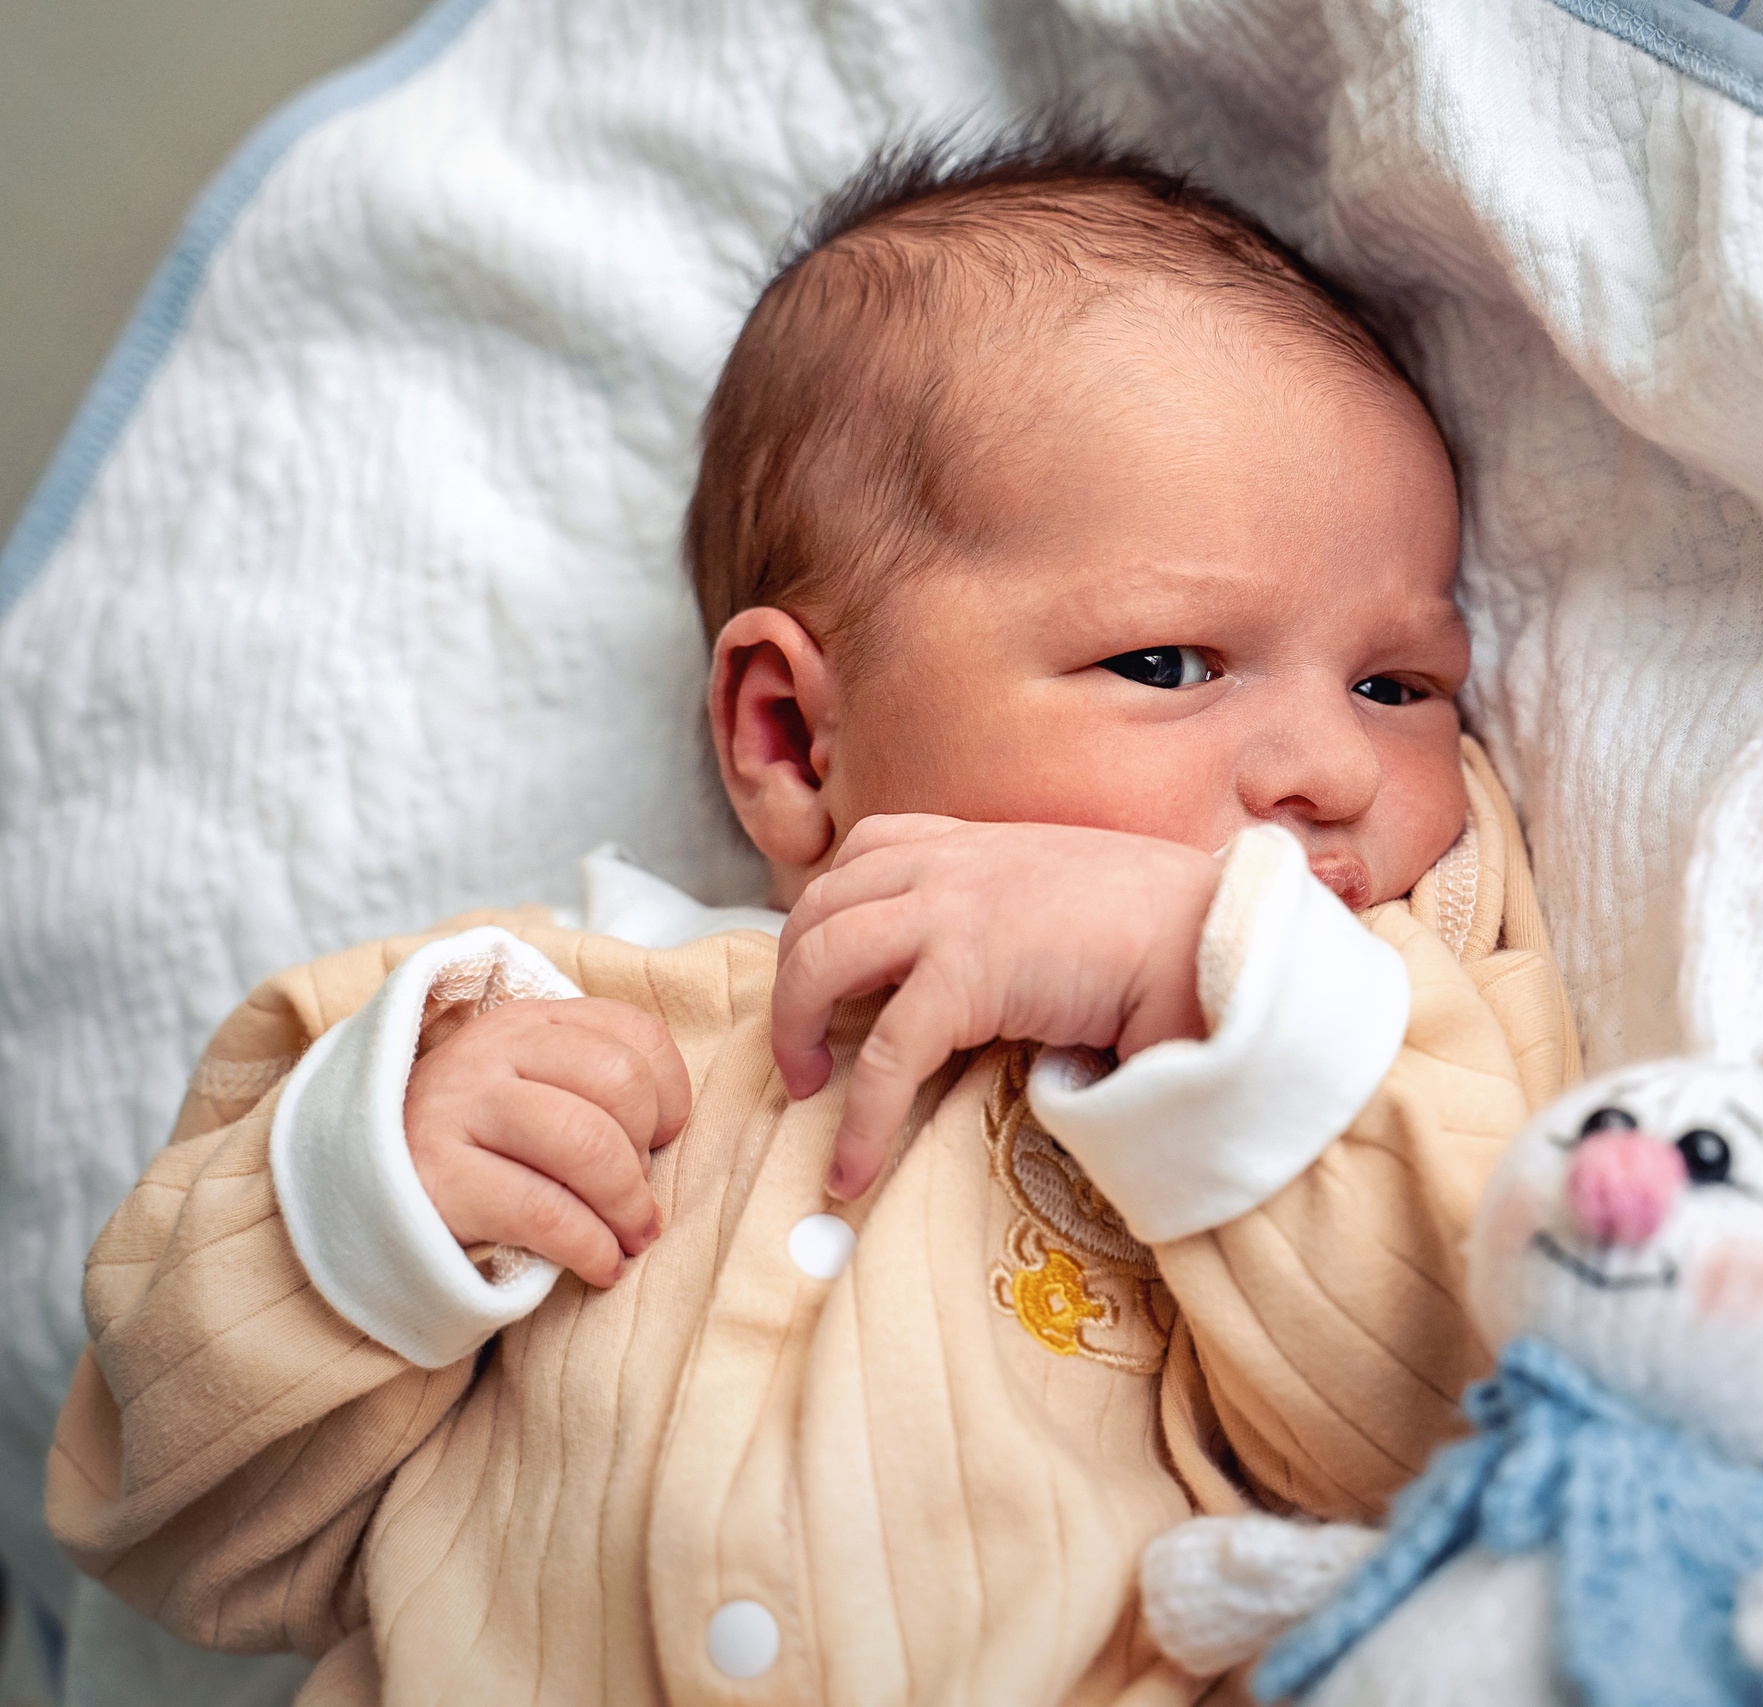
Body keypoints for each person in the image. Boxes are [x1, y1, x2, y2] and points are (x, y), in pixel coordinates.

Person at [47, 130, 1577, 1705]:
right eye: (1167, 665)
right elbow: (175, 1535)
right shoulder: (518, 1021)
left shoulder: (1373, 1036)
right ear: (792, 737)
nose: (1334, 765)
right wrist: (385, 1211)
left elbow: (1474, 1450)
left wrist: (1208, 996)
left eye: (1399, 684)